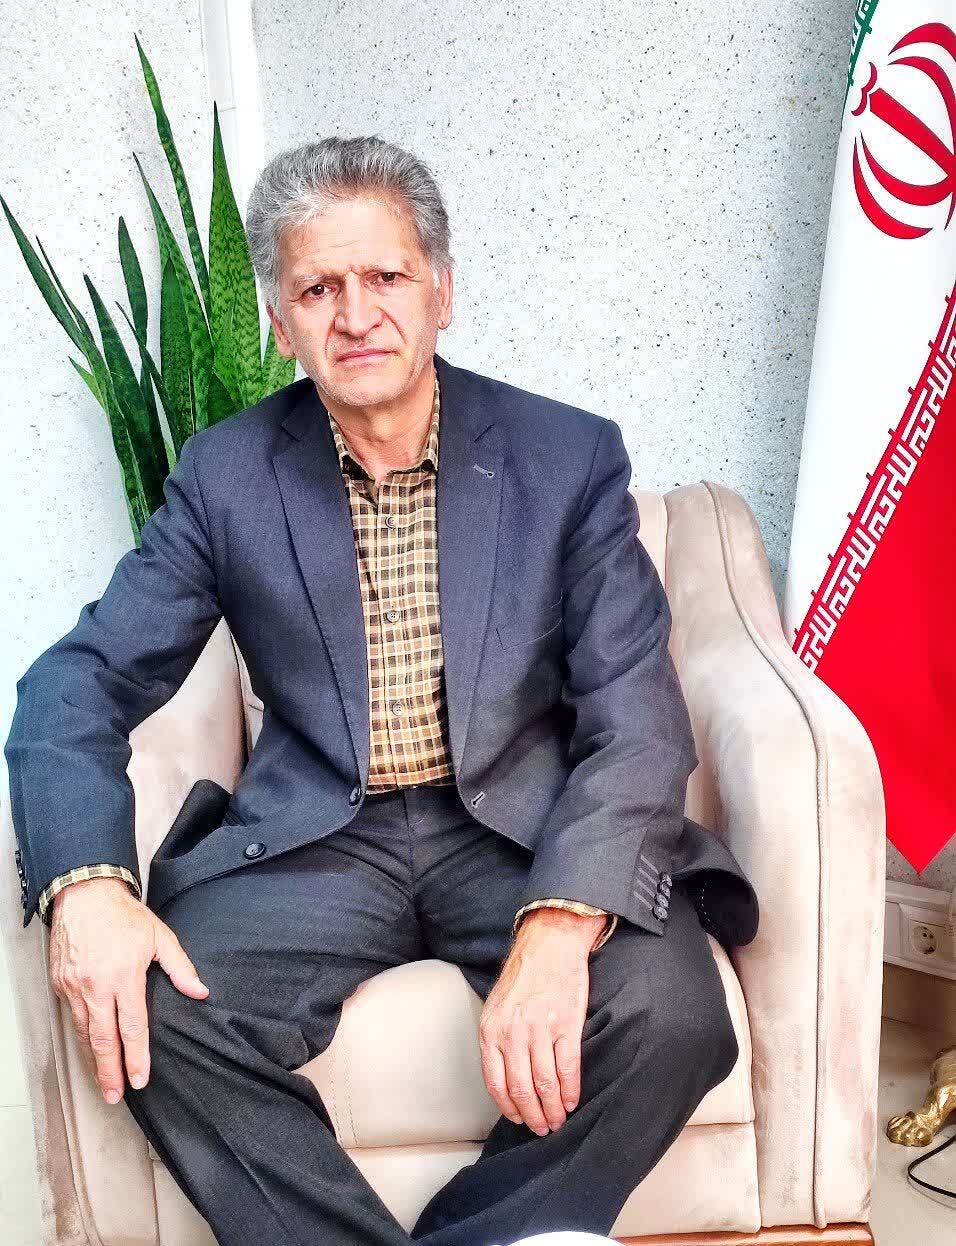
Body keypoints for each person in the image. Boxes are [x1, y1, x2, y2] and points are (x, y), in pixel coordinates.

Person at [5, 135, 759, 1246]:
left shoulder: (565, 457)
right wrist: (87, 886)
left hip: (518, 824)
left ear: (440, 292)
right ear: (279, 322)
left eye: (386, 277)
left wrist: (562, 918)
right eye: (318, 288)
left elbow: (635, 715)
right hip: (321, 835)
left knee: (676, 1017)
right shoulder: (225, 476)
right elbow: (77, 680)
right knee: (152, 1013)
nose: (355, 314)